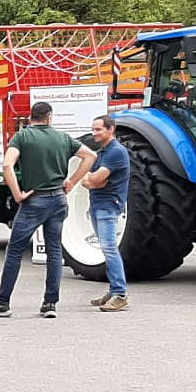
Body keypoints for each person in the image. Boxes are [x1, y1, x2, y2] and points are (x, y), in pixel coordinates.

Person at [0, 102, 96, 319]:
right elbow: (90, 156)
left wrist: (17, 194)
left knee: (14, 251)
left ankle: (2, 302)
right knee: (54, 252)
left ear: (31, 117)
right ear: (49, 117)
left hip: (34, 201)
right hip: (58, 200)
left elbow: (7, 165)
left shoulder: (22, 137)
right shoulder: (63, 138)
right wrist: (71, 181)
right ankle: (50, 303)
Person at [83, 115, 132, 312]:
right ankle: (114, 291)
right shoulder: (102, 153)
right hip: (97, 205)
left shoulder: (116, 153)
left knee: (110, 248)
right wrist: (92, 180)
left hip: (107, 206)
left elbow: (94, 179)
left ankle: (120, 294)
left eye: (98, 129)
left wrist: (92, 180)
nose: (94, 133)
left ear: (111, 129)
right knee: (106, 249)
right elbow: (88, 180)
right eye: (93, 129)